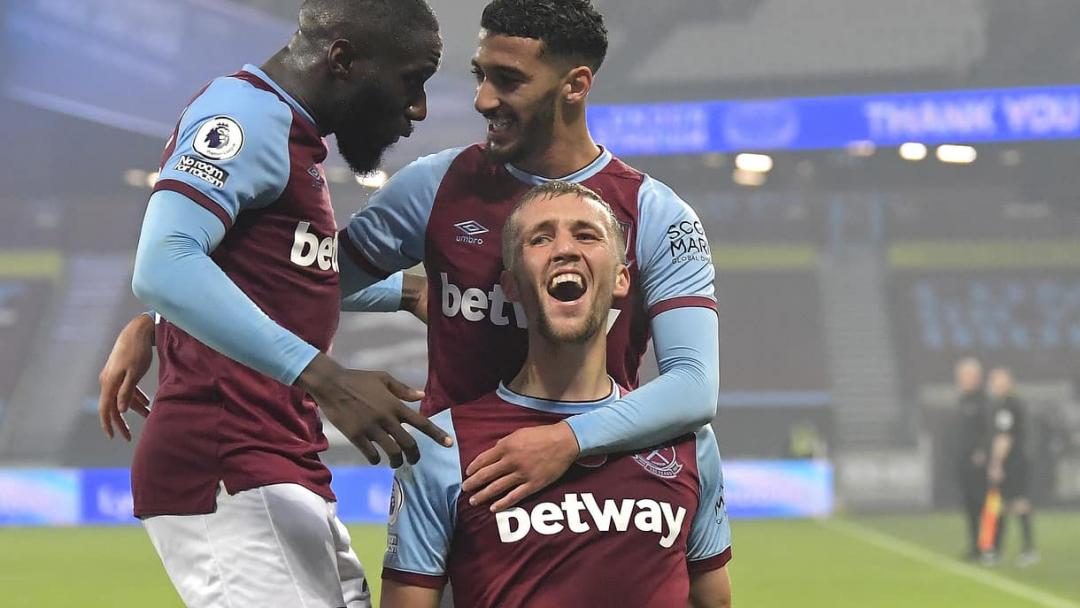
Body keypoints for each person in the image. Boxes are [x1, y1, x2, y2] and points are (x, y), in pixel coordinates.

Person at [100, 0, 719, 516]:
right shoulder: (434, 186)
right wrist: (160, 322)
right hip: (456, 496)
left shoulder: (657, 213)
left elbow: (694, 385)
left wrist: (564, 441)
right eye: (479, 75)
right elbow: (302, 279)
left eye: (507, 80)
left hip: (601, 495)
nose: (482, 100)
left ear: (576, 86)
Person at [118, 1, 450, 606]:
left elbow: (275, 276)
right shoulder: (242, 113)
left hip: (276, 459)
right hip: (225, 463)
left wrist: (410, 291)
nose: (418, 109)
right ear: (343, 58)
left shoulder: (291, 137)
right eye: (411, 80)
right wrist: (328, 378)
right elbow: (166, 262)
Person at [381, 182, 732, 607]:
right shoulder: (442, 447)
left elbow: (713, 601)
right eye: (541, 238)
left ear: (622, 279)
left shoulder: (688, 441)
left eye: (586, 235)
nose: (564, 249)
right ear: (510, 286)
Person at [985, 367, 1038, 566]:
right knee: (1004, 506)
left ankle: (1026, 549)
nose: (995, 385)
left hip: (1013, 463)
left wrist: (996, 464)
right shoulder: (1003, 404)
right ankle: (998, 549)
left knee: (1017, 504)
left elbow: (1004, 437)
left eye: (999, 381)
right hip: (1015, 461)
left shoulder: (1008, 406)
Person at [952, 357, 989, 561]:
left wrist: (982, 451)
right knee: (969, 505)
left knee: (983, 504)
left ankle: (987, 545)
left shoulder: (984, 401)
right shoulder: (962, 400)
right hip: (963, 461)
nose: (963, 380)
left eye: (966, 375)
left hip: (979, 462)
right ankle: (975, 544)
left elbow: (988, 430)